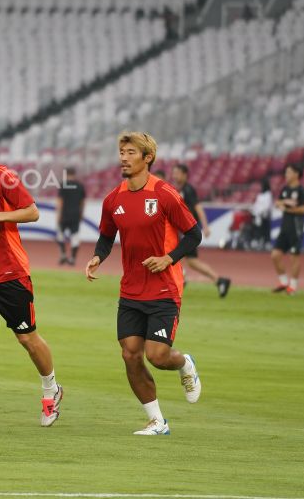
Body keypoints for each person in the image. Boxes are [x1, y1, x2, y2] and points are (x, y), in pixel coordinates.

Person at [85, 131, 202, 436]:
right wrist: (98, 257)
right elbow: (106, 236)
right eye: (121, 152)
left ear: (147, 158)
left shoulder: (165, 194)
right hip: (131, 290)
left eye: (131, 152)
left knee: (158, 356)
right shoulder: (113, 199)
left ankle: (185, 363)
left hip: (164, 289)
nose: (123, 157)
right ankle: (157, 421)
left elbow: (194, 234)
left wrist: (169, 258)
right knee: (130, 354)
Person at [0, 120, 63, 427]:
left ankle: (51, 389)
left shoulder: (2, 175)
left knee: (27, 338)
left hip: (10, 272)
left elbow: (32, 211)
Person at [170, 164, 231, 297]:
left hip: (188, 231)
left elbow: (198, 207)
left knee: (175, 255)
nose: (174, 175)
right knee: (191, 261)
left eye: (177, 173)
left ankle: (183, 278)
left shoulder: (188, 190)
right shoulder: (181, 189)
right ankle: (219, 280)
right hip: (185, 230)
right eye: (174, 173)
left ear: (185, 174)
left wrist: (206, 226)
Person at [272, 164, 304, 295]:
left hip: (296, 229)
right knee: (275, 255)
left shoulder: (302, 191)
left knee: (294, 258)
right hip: (284, 228)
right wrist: (284, 203)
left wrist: (288, 208)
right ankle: (283, 281)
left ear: (296, 174)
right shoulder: (285, 189)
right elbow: (278, 202)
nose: (286, 175)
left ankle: (292, 286)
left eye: (288, 172)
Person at [56, 167, 85, 265]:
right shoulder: (80, 186)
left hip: (64, 214)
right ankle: (72, 258)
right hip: (75, 214)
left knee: (60, 235)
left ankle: (63, 254)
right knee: (75, 236)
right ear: (74, 174)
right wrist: (81, 213)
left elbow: (60, 201)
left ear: (66, 174)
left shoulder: (63, 185)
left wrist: (58, 215)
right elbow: (83, 201)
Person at [251, 178, 273, 249]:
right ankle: (257, 241)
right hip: (258, 215)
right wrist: (254, 211)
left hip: (265, 216)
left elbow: (267, 205)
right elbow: (256, 204)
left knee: (265, 229)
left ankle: (267, 243)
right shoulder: (260, 195)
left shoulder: (268, 194)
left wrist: (262, 212)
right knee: (257, 229)